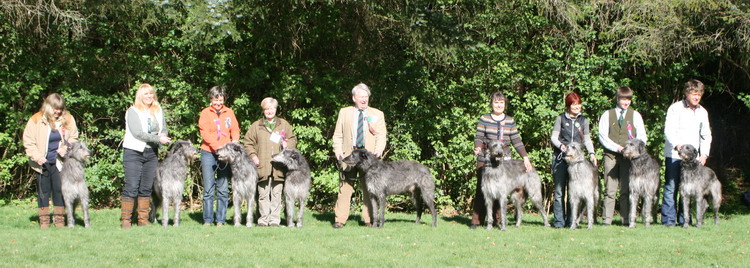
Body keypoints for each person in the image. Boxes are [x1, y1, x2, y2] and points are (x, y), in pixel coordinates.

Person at [470, 91, 533, 229]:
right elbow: (479, 137)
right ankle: (476, 221)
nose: (498, 105)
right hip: (485, 159)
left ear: (505, 104)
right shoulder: (484, 118)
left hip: (503, 160)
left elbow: (516, 140)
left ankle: (498, 221)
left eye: (501, 102)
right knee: (482, 191)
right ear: (492, 104)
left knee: (501, 191)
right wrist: (478, 147)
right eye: (496, 102)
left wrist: (525, 157)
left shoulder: (510, 120)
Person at [331, 83, 387, 228]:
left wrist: (379, 149)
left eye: (366, 97)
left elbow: (381, 135)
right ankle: (340, 220)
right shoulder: (344, 112)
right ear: (354, 98)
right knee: (345, 188)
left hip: (368, 159)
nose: (364, 100)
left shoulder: (377, 114)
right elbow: (338, 135)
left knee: (369, 190)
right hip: (349, 156)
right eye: (361, 97)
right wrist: (337, 150)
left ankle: (369, 219)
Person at [22, 93, 79, 228]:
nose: (58, 111)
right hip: (41, 163)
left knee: (59, 190)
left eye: (60, 108)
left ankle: (59, 220)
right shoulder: (36, 119)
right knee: (44, 191)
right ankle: (44, 221)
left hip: (60, 162)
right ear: (48, 106)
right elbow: (28, 141)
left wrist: (66, 147)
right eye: (55, 108)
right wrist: (37, 156)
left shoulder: (68, 119)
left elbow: (74, 138)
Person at [662, 79, 712, 226]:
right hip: (674, 155)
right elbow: (669, 130)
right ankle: (668, 221)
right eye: (693, 94)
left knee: (689, 190)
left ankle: (684, 220)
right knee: (672, 187)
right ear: (686, 93)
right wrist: (678, 145)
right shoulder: (675, 108)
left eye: (699, 94)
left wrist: (704, 155)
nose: (696, 97)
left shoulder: (703, 112)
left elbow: (706, 135)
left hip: (693, 160)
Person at [121, 84, 171, 229]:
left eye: (151, 94)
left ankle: (143, 219)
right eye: (146, 94)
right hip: (134, 152)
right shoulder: (133, 111)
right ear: (140, 96)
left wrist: (164, 135)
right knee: (131, 186)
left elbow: (164, 128)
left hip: (152, 153)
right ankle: (126, 220)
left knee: (146, 187)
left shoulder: (158, 110)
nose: (149, 97)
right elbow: (138, 133)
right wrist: (158, 139)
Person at [597, 86, 648, 226]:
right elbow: (602, 136)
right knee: (610, 190)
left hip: (629, 159)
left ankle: (625, 219)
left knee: (626, 189)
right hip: (611, 156)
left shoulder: (635, 115)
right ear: (617, 98)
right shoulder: (607, 114)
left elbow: (642, 137)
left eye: (628, 99)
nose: (626, 102)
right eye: (623, 99)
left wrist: (634, 151)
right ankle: (606, 220)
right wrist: (618, 148)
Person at [243, 97, 297, 227]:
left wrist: (287, 144)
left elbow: (293, 139)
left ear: (276, 109)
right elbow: (247, 143)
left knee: (277, 194)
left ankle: (274, 220)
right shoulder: (256, 126)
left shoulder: (283, 124)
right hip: (262, 166)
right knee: (263, 194)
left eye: (272, 108)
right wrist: (253, 156)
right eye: (267, 109)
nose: (269, 111)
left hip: (279, 167)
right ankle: (263, 220)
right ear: (263, 110)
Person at [550, 91, 597, 228]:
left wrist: (592, 153)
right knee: (559, 191)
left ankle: (572, 221)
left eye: (579, 104)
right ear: (568, 105)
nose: (577, 107)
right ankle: (559, 222)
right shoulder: (560, 119)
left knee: (574, 192)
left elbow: (587, 139)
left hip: (577, 161)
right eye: (574, 105)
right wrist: (561, 146)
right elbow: (554, 137)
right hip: (561, 157)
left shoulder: (583, 120)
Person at [199, 86, 240, 227]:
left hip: (226, 154)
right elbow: (205, 133)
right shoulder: (205, 113)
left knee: (222, 188)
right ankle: (207, 220)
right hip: (208, 153)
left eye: (221, 100)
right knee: (209, 188)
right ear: (211, 99)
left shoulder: (229, 112)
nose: (218, 103)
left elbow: (235, 129)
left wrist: (234, 141)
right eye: (216, 100)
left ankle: (221, 220)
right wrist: (218, 147)